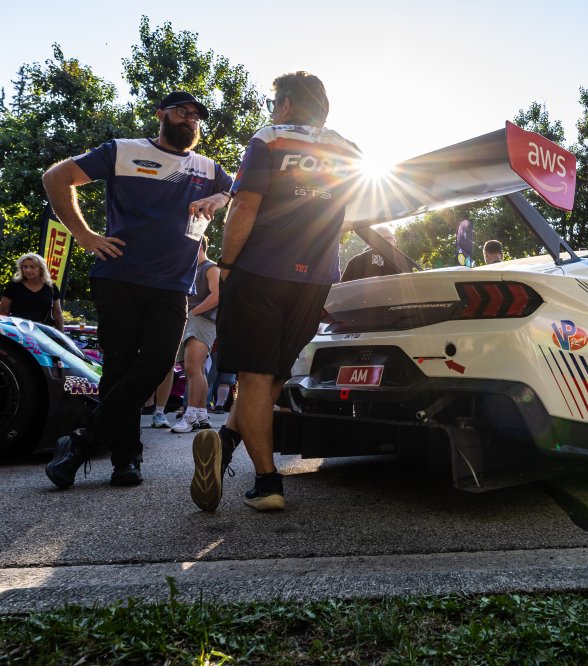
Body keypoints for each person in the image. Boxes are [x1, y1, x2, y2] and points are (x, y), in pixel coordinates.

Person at [41, 91, 233, 488]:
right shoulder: (123, 151)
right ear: (160, 114)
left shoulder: (207, 168)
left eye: (196, 116)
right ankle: (126, 460)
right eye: (181, 112)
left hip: (173, 287)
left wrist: (219, 195)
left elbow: (241, 189)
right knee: (119, 370)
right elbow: (55, 177)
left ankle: (79, 441)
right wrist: (84, 235)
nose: (190, 119)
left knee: (158, 364)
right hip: (119, 278)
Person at [189, 72, 362, 513]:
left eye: (273, 103)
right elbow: (351, 213)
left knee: (254, 376)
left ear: (284, 104)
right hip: (316, 279)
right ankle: (226, 442)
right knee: (273, 377)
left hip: (261, 271)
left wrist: (227, 265)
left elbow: (245, 204)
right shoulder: (348, 149)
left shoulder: (270, 138)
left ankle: (268, 482)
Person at [170, 237, 220, 433]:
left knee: (193, 369)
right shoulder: (190, 268)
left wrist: (193, 312)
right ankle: (201, 414)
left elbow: (217, 295)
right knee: (195, 370)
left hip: (202, 321)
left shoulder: (210, 267)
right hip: (190, 320)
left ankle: (189, 417)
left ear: (198, 246)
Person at [1, 253, 64, 330]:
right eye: (25, 267)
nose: (28, 270)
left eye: (32, 267)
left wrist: (61, 334)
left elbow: (57, 313)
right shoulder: (13, 286)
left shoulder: (51, 288)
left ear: (41, 269)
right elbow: (3, 311)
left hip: (43, 332)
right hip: (18, 332)